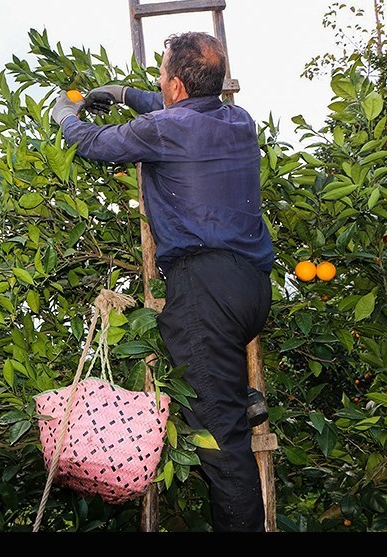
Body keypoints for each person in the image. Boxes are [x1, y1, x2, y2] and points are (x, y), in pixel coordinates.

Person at [50, 31, 274, 532]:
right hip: (253, 291)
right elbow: (182, 106)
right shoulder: (239, 120)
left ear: (173, 84)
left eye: (161, 80)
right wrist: (124, 94)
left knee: (222, 447)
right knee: (215, 401)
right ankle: (238, 400)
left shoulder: (165, 130)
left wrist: (66, 115)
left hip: (206, 293)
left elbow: (94, 144)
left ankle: (230, 409)